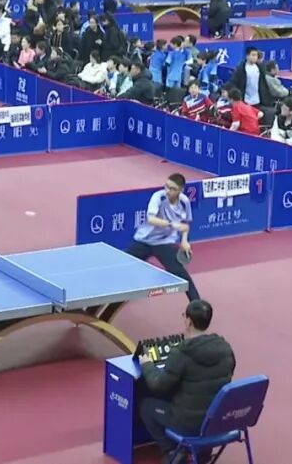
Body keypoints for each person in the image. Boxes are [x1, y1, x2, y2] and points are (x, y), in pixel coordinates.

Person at [139, 299, 235, 463]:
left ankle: (173, 451)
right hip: (215, 421)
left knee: (146, 406)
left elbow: (158, 385)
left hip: (187, 424)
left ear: (188, 321)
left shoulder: (182, 353)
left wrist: (147, 364)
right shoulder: (226, 349)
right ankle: (202, 454)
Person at [127, 173, 200, 301]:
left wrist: (184, 241)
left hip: (164, 243)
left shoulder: (184, 201)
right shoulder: (158, 197)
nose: (168, 191)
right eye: (166, 186)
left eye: (172, 189)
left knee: (182, 275)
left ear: (181, 190)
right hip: (144, 241)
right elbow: (151, 219)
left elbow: (185, 224)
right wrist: (173, 224)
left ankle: (197, 306)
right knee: (123, 268)